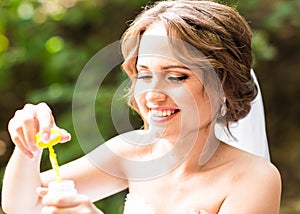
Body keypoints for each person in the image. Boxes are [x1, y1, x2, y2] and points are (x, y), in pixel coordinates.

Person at [2, 0, 281, 213]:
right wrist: (30, 147)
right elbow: (22, 206)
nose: (153, 95)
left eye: (176, 76)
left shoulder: (253, 178)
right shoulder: (133, 152)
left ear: (223, 83)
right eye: (145, 74)